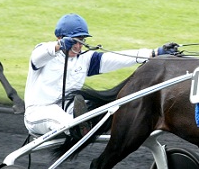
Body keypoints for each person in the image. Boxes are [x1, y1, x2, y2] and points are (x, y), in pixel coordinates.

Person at [23, 13, 176, 137]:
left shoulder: (85, 58)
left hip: (68, 110)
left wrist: (154, 53)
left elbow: (118, 57)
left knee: (100, 108)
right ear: (60, 38)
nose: (78, 46)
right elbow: (38, 56)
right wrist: (59, 46)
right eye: (74, 41)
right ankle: (78, 127)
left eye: (81, 41)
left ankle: (87, 126)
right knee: (59, 115)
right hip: (38, 113)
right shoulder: (44, 51)